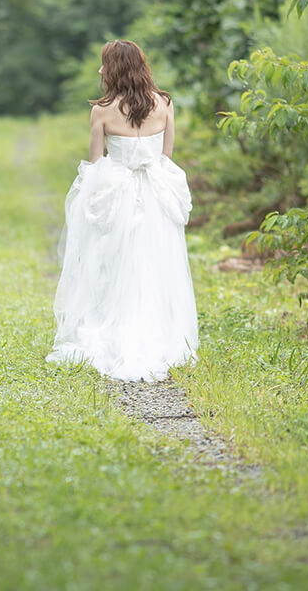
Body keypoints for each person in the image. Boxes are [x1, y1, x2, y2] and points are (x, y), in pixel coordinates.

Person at [46, 39, 198, 381]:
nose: (100, 70)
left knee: (115, 266)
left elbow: (97, 163)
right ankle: (159, 332)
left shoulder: (102, 110)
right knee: (155, 266)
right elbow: (166, 156)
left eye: (104, 64)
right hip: (157, 194)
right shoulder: (165, 104)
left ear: (115, 69)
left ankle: (116, 328)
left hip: (118, 195)